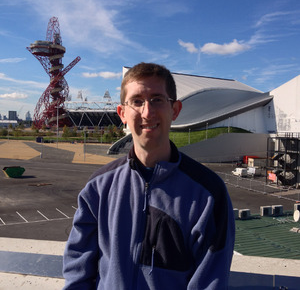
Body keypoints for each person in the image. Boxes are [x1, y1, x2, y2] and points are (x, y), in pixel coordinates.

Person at [63, 62, 235, 289]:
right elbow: (78, 269)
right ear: (122, 113)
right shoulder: (98, 187)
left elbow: (210, 281)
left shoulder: (208, 193)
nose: (147, 112)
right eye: (137, 101)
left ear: (175, 110)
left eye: (157, 99)